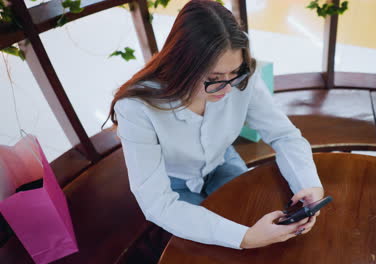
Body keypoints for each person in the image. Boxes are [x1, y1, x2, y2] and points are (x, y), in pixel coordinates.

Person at [106, 0, 324, 250]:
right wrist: (245, 238)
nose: (229, 88)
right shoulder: (136, 108)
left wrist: (307, 182)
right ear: (182, 66)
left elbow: (284, 136)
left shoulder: (241, 78)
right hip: (171, 182)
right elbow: (157, 203)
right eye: (214, 79)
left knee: (259, 218)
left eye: (235, 73)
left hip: (222, 161)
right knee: (210, 246)